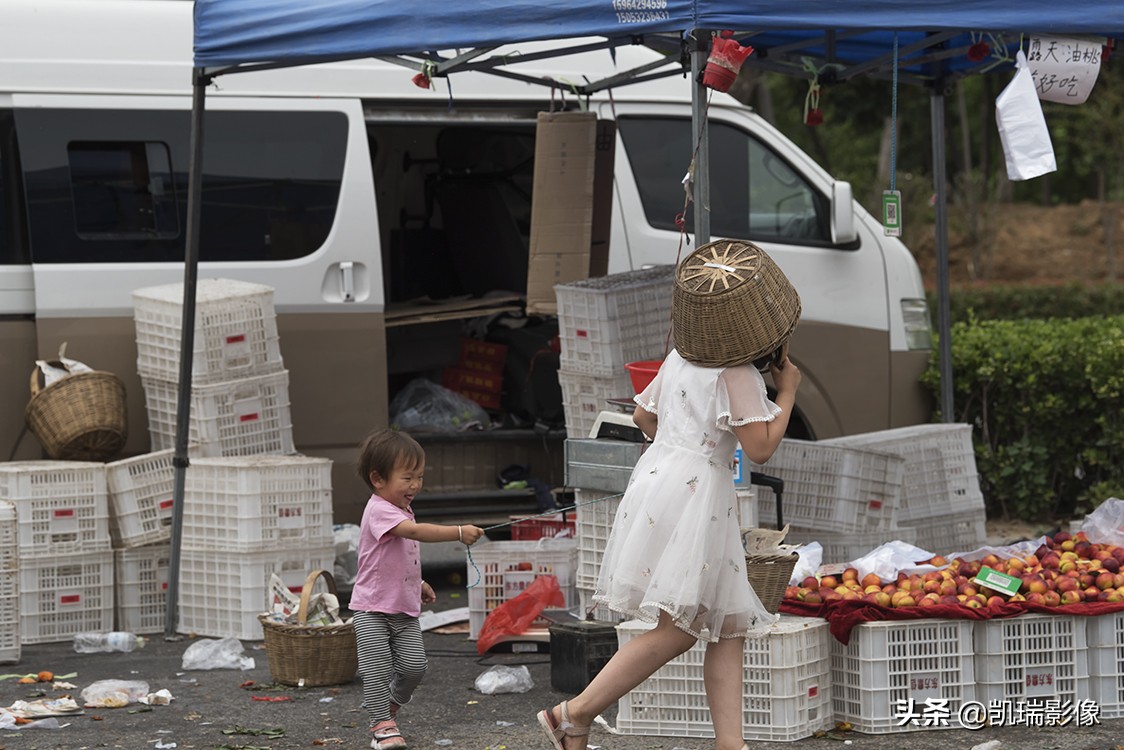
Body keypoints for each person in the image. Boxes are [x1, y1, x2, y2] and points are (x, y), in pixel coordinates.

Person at [537, 244, 803, 750]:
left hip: (659, 475)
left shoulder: (681, 357)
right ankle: (573, 713)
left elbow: (642, 418)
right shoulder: (739, 373)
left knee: (727, 624)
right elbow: (762, 448)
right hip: (698, 493)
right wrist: (787, 391)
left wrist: (678, 445)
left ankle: (731, 743)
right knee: (680, 626)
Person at [350, 428, 485, 750]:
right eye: (408, 477)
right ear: (378, 478)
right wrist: (457, 532)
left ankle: (389, 705)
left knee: (415, 666)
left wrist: (418, 581)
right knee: (377, 666)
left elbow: (398, 555)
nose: (415, 485)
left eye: (420, 477)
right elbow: (414, 533)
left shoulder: (400, 508)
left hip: (404, 606)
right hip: (372, 608)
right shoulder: (380, 509)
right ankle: (381, 723)